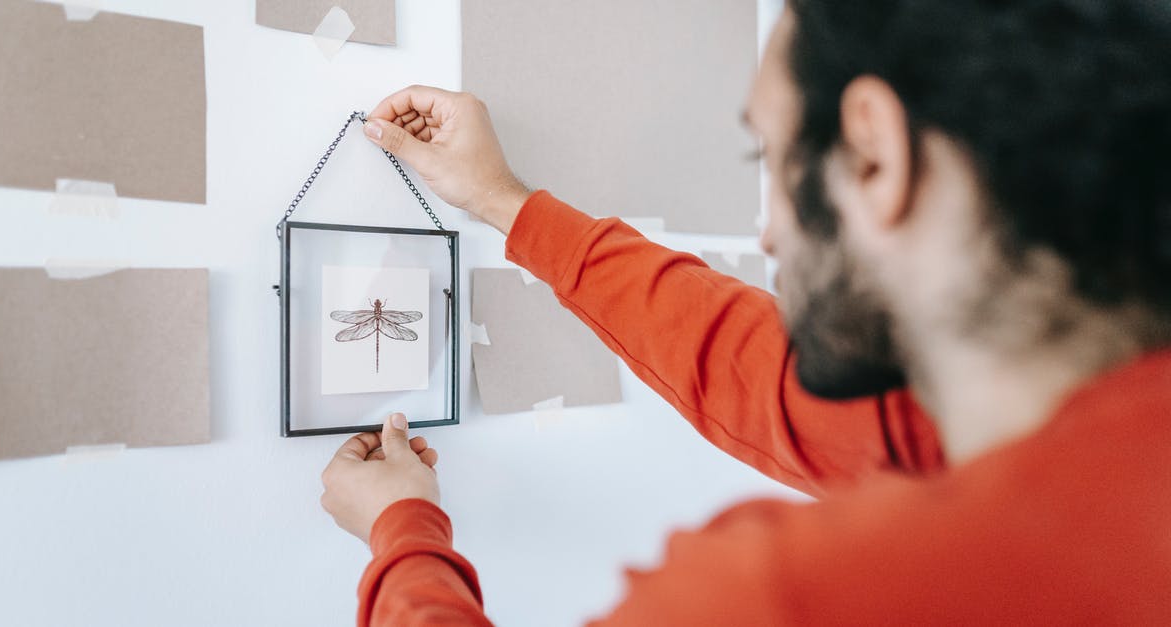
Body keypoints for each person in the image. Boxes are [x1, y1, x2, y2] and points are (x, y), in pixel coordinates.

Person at [319, 1, 1171, 624]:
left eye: (769, 156)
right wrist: (508, 202)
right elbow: (754, 370)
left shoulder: (790, 596)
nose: (765, 232)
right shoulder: (990, 436)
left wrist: (406, 533)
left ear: (875, 155)